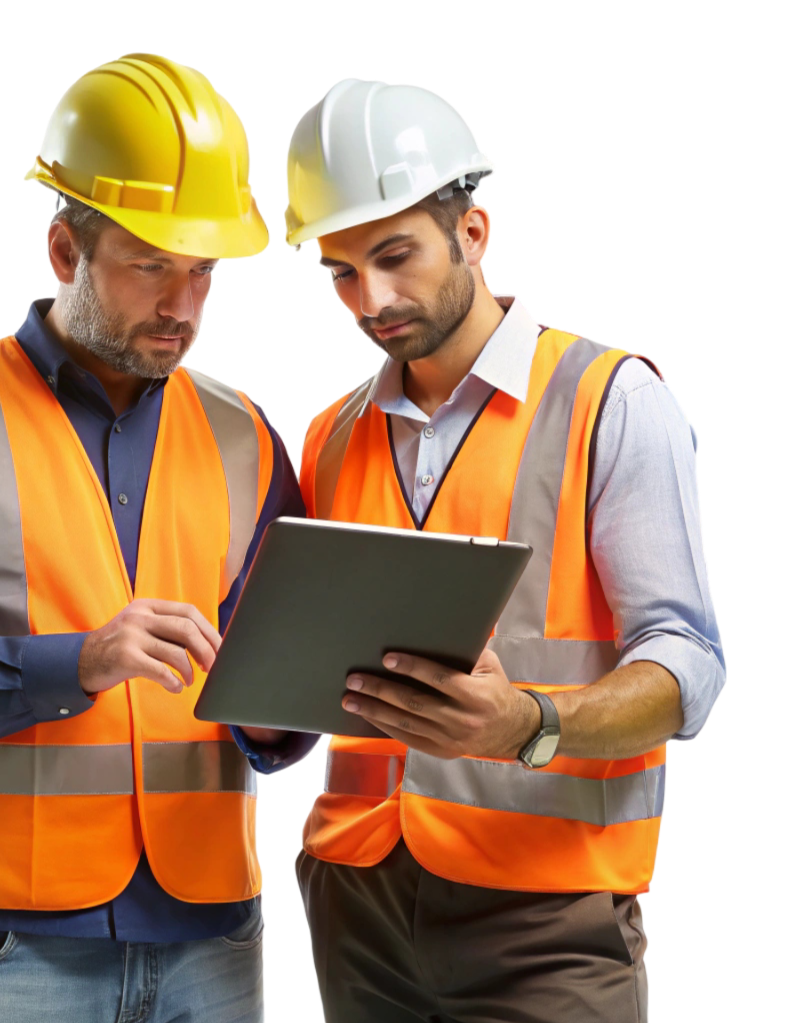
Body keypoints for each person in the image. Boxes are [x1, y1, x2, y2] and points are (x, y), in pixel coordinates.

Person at [0, 53, 317, 1024]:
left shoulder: (245, 431)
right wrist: (75, 662)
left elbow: (274, 701)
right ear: (64, 253)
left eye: (201, 271)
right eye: (150, 266)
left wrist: (315, 693)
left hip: (213, 935)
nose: (182, 306)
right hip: (0, 945)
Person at [284, 77, 726, 1023]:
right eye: (342, 272)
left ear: (473, 233)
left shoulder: (613, 400)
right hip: (356, 901)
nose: (374, 298)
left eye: (395, 255)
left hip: (552, 921)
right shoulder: (330, 433)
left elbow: (688, 664)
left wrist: (529, 723)